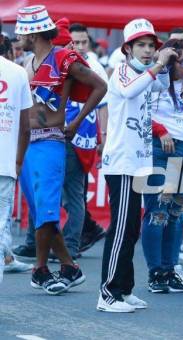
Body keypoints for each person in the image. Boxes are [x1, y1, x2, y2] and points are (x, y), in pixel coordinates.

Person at [16, 5, 106, 295]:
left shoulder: (63, 58)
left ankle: (41, 270)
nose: (18, 37)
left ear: (34, 33)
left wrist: (77, 122)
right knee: (40, 211)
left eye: (22, 32)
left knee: (47, 211)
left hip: (52, 142)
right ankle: (65, 267)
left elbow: (99, 86)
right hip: (28, 144)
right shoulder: (28, 60)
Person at [98, 18, 178, 312]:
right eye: (141, 45)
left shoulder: (148, 73)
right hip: (121, 162)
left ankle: (124, 289)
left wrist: (167, 61)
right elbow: (131, 90)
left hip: (140, 163)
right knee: (120, 229)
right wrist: (157, 65)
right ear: (128, 48)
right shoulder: (120, 72)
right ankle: (107, 294)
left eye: (151, 46)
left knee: (131, 229)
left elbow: (164, 87)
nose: (147, 51)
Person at [142, 39, 183, 293]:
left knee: (177, 213)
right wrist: (159, 130)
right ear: (170, 60)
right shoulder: (157, 78)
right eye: (182, 61)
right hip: (164, 150)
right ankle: (155, 272)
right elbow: (140, 110)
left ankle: (170, 269)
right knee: (158, 211)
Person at [68, 23, 109, 253]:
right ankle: (88, 229)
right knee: (70, 193)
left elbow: (104, 107)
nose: (80, 46)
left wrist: (103, 138)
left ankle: (73, 241)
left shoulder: (95, 67)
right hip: (62, 134)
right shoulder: (63, 62)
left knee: (75, 193)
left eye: (84, 42)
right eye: (76, 42)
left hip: (84, 138)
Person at [0, 31, 33, 280]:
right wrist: (18, 161)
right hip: (5, 165)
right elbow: (25, 127)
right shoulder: (18, 72)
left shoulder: (19, 72)